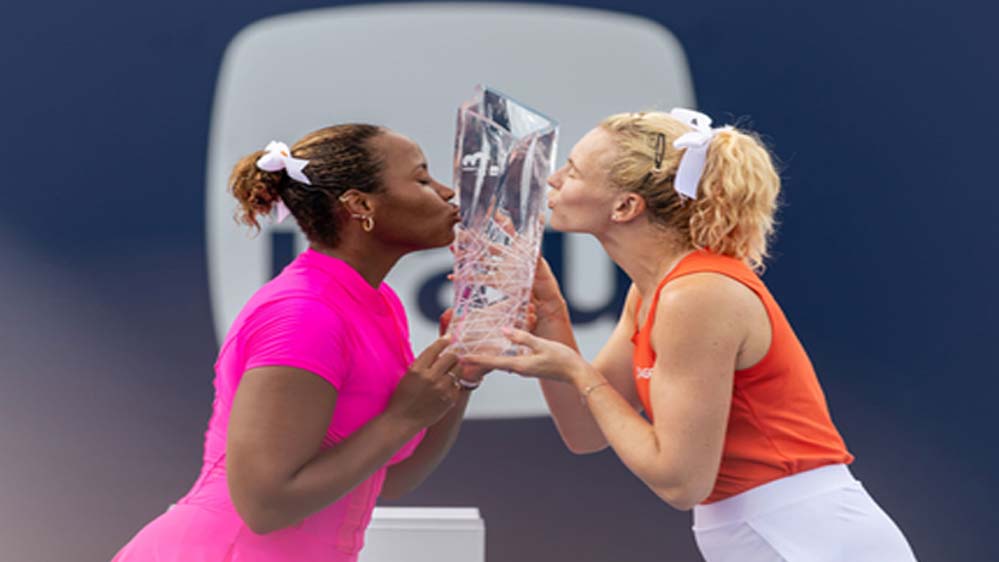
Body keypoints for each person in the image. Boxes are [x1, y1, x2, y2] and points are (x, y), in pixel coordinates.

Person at [465, 109, 918, 561]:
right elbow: (585, 431)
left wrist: (577, 371)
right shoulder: (652, 292)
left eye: (574, 170)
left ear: (625, 207)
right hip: (771, 533)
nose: (554, 179)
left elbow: (680, 482)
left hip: (808, 536)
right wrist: (551, 312)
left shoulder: (696, 295)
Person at [113, 123, 478, 562]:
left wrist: (460, 378)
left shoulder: (379, 302)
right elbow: (264, 506)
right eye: (421, 179)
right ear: (361, 205)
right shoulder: (305, 314)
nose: (445, 192)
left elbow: (392, 477)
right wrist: (403, 416)